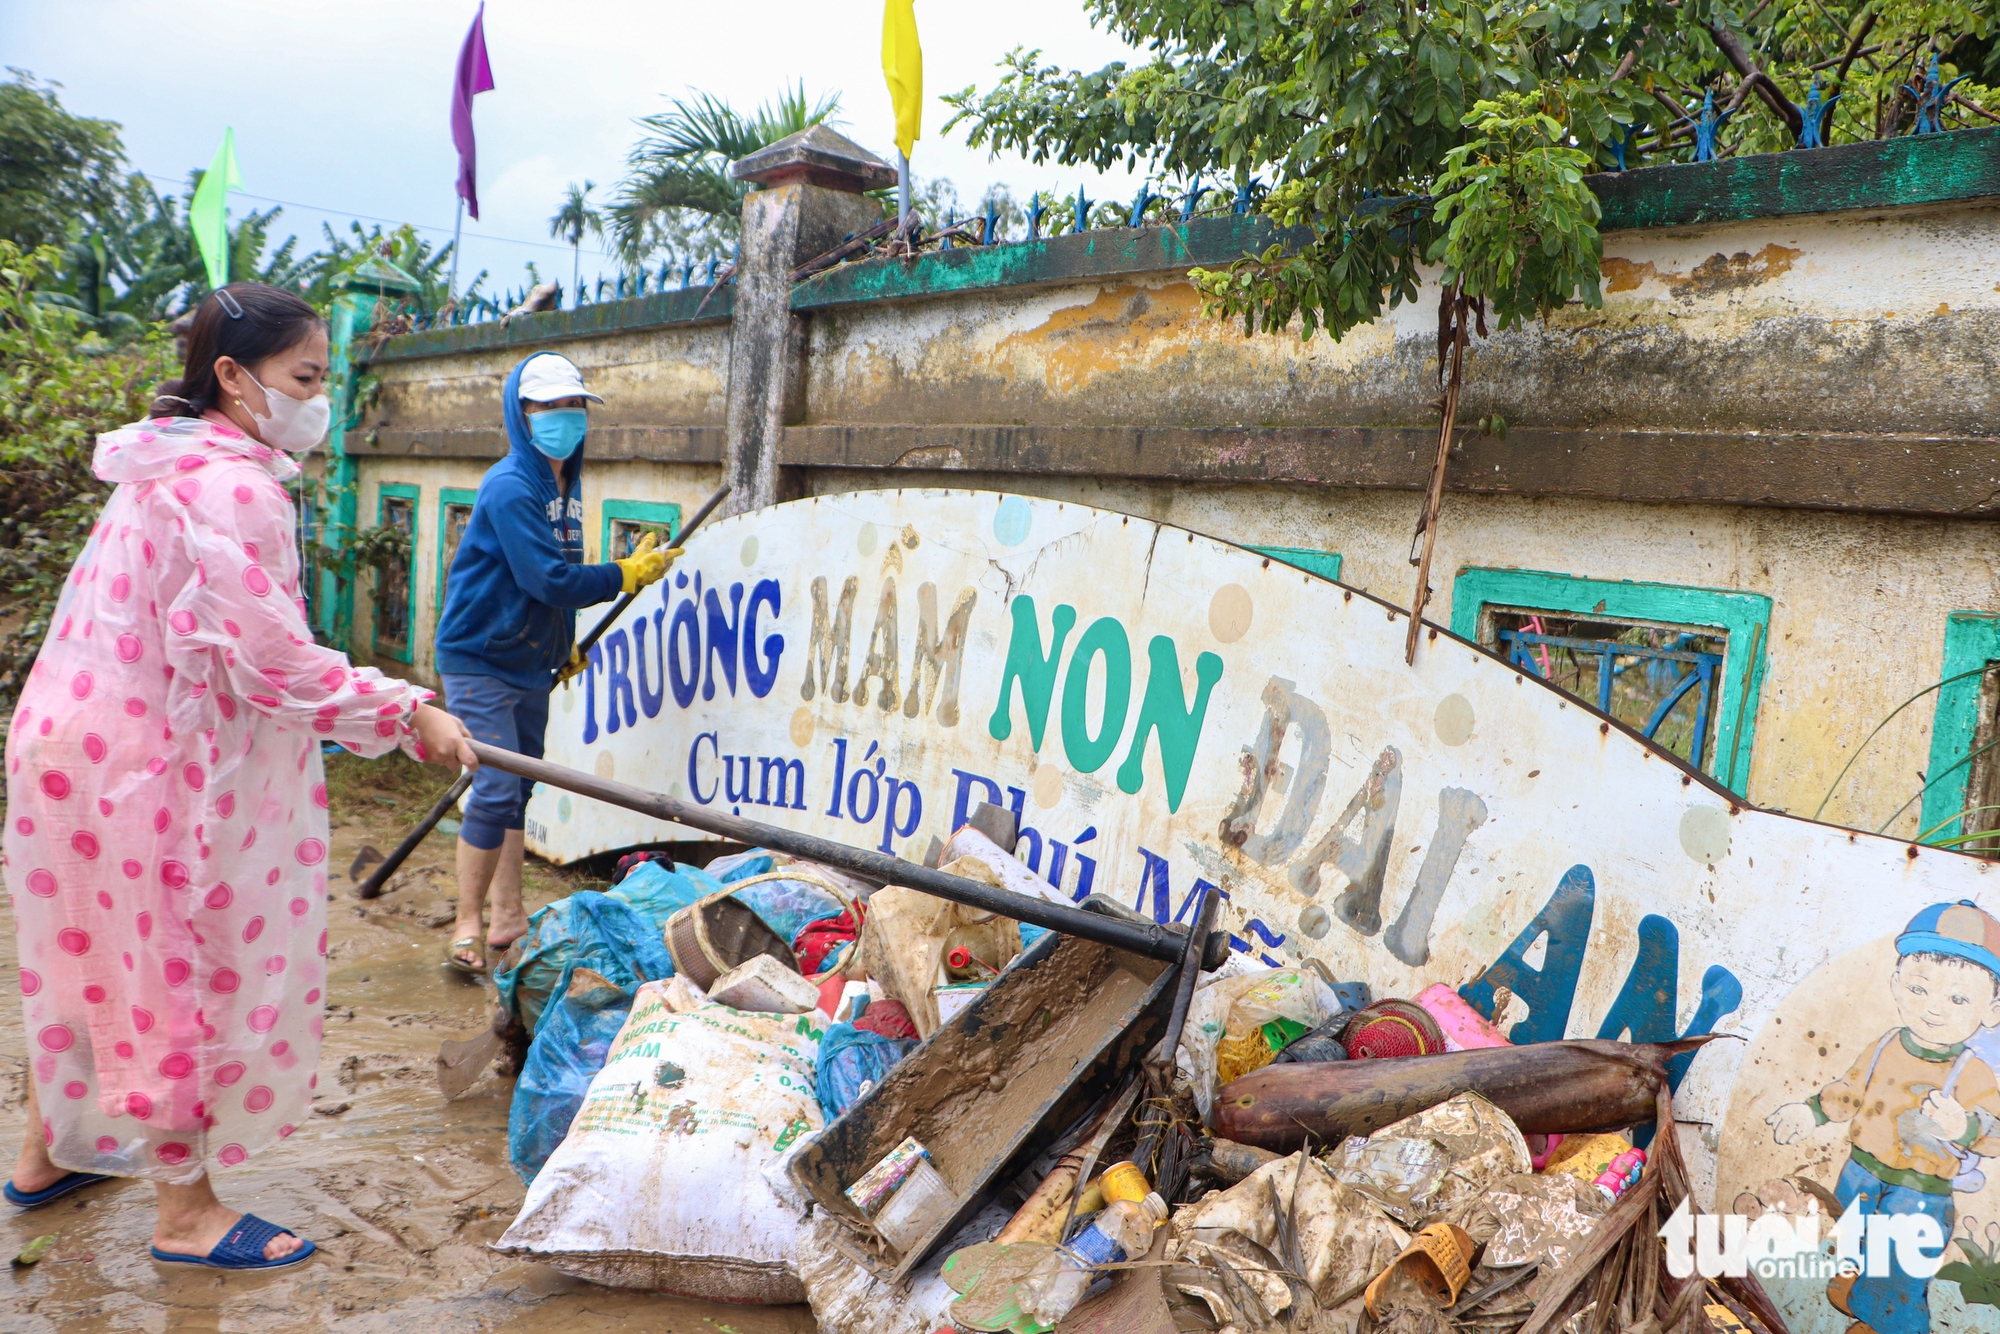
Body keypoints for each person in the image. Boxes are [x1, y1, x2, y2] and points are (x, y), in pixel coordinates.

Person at [4, 283, 478, 1268]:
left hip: (70, 745)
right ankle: (185, 1214)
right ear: (231, 374)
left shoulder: (168, 460)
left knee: (99, 959)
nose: (318, 401)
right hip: (140, 767)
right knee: (169, 970)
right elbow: (271, 663)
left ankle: (45, 1158)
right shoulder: (233, 487)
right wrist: (407, 711)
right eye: (304, 378)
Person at [433, 352, 673, 973]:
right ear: (521, 413)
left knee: (518, 789)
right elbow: (547, 579)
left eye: (574, 405)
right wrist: (624, 573)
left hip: (526, 659)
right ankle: (466, 925)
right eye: (549, 406)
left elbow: (548, 580)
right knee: (494, 789)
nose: (564, 417)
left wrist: (559, 642)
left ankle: (508, 917)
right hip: (479, 655)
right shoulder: (512, 486)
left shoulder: (564, 485)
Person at [1768, 900, 2000, 1334]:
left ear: (1991, 1009)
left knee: (1900, 1270)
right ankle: (1861, 1293)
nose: (1934, 1008)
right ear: (1896, 984)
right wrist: (1811, 1111)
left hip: (1920, 1193)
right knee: (1853, 1242)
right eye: (1919, 989)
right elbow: (1850, 1091)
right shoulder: (1885, 1045)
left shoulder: (1973, 1073)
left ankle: (1892, 1325)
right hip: (1860, 1173)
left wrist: (1963, 1126)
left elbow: (1995, 1134)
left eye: (1957, 998)